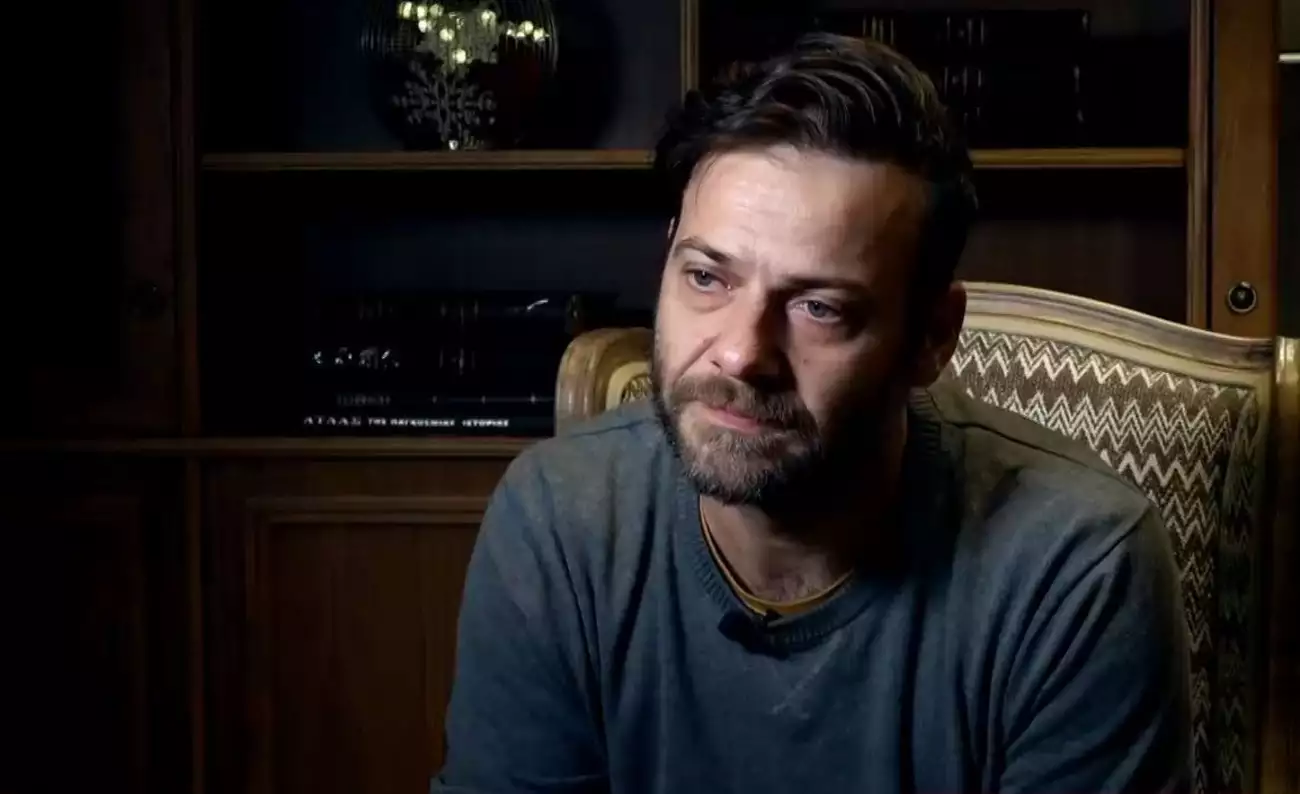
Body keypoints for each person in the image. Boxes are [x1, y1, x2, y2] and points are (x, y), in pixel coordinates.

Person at [432, 32, 1192, 794]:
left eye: (819, 307)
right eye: (707, 278)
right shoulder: (559, 523)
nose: (741, 354)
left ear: (932, 338)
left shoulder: (1074, 568)